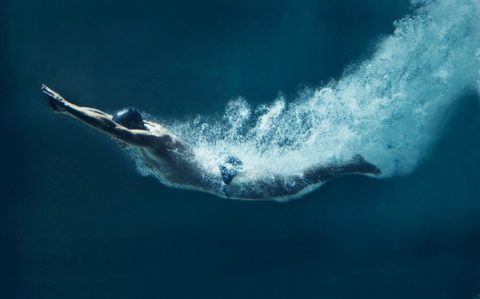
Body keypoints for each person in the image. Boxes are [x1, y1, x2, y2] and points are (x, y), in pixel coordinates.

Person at [41, 84, 381, 201]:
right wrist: (68, 106)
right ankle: (346, 161)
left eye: (121, 134)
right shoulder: (142, 130)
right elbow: (106, 119)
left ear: (131, 130)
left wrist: (69, 109)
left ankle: (352, 163)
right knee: (285, 179)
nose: (117, 139)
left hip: (226, 181)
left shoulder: (155, 140)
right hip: (221, 166)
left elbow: (113, 130)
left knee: (292, 185)